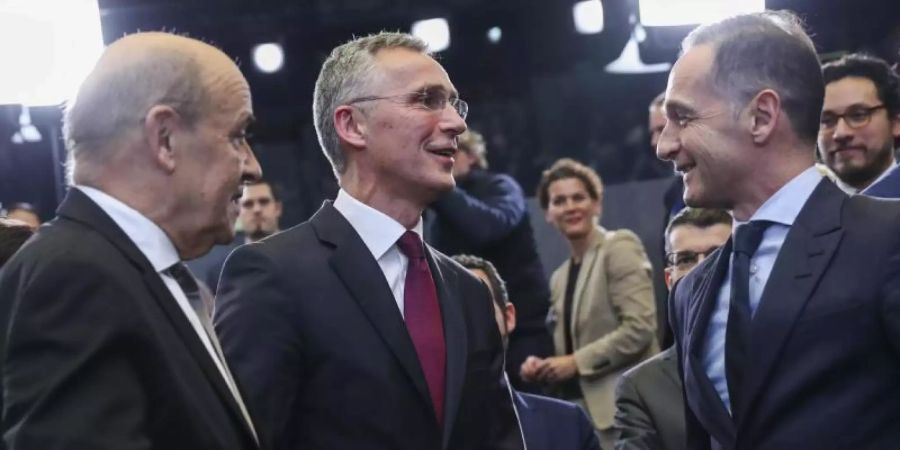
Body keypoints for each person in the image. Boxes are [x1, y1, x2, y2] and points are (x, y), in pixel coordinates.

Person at [214, 32, 524, 450]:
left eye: (453, 102)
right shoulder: (272, 276)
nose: (457, 122)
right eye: (427, 99)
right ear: (352, 125)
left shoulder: (469, 292)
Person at [0, 32, 261, 449]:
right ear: (165, 140)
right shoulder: (75, 276)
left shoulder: (128, 271)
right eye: (237, 135)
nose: (252, 166)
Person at [657, 11, 900, 449]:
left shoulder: (887, 239)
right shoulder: (688, 293)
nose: (664, 145)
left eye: (684, 117)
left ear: (762, 116)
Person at [522, 158, 658, 449]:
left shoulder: (619, 246)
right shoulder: (559, 277)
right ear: (547, 213)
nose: (570, 207)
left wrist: (574, 363)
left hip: (626, 413)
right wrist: (544, 367)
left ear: (597, 204)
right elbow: (569, 347)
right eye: (559, 200)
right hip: (581, 419)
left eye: (578, 197)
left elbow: (640, 327)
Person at [429, 128, 553, 392]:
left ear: (472, 155)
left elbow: (487, 227)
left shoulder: (500, 186)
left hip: (524, 331)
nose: (439, 161)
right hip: (476, 337)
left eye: (448, 151)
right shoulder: (441, 213)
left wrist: (441, 190)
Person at [453, 254, 601, 450]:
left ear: (509, 317)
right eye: (452, 310)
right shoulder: (410, 433)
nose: (469, 321)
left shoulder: (568, 427)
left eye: (480, 305)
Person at [613, 208, 731, 450]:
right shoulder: (642, 387)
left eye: (716, 255)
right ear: (669, 279)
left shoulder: (782, 359)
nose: (700, 270)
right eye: (686, 260)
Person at [818, 54, 900, 195]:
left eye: (858, 115)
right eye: (827, 121)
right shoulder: (797, 211)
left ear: (896, 123)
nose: (840, 133)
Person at [188, 178, 283, 292]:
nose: (257, 210)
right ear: (238, 212)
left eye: (263, 202)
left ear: (278, 208)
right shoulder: (222, 273)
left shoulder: (304, 253)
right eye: (248, 204)